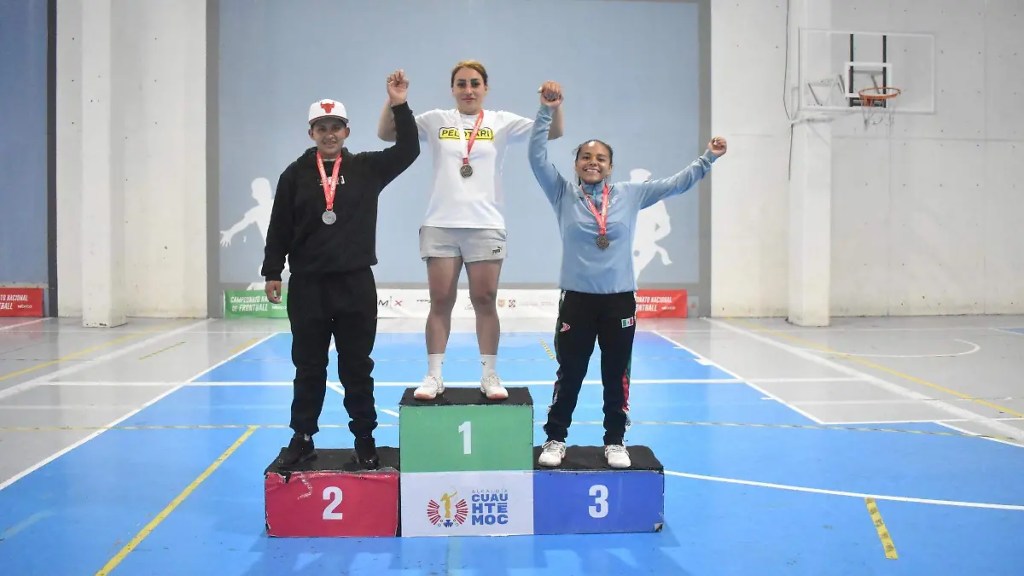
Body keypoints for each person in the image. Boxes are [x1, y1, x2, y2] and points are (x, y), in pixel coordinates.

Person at [527, 85, 727, 469]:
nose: (593, 162)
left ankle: (615, 440)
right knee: (569, 372)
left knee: (616, 374)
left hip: (619, 300)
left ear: (611, 166)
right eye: (586, 157)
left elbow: (676, 184)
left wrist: (708, 158)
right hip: (577, 300)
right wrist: (546, 111)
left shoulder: (631, 195)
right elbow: (537, 158)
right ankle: (555, 438)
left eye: (600, 158)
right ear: (576, 164)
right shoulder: (563, 194)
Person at [377, 61, 564, 401]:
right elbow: (387, 134)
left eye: (475, 84)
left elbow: (551, 132)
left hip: (486, 225)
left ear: (485, 88)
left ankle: (489, 374)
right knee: (441, 301)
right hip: (440, 225)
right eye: (461, 84)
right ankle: (434, 375)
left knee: (484, 300)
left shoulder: (501, 122)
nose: (468, 90)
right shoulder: (435, 120)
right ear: (453, 89)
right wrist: (394, 99)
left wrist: (551, 106)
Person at [262, 70, 420, 469]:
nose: (328, 134)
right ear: (311, 132)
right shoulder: (294, 175)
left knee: (357, 366)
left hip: (354, 283)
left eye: (335, 127)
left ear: (346, 131)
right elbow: (278, 225)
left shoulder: (367, 168)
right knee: (308, 366)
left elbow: (409, 150)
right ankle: (302, 437)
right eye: (321, 127)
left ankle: (365, 438)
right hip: (308, 286)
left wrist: (399, 104)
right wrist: (272, 271)